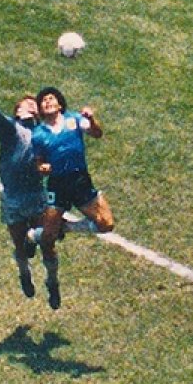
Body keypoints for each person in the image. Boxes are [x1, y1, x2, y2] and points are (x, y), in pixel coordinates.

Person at [28, 86, 116, 309]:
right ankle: (51, 279)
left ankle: (66, 228)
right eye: (44, 101)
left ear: (60, 104)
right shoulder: (38, 134)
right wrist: (42, 168)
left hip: (80, 181)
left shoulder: (75, 120)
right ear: (40, 109)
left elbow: (97, 133)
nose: (48, 102)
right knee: (47, 238)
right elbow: (38, 163)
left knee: (106, 224)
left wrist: (92, 119)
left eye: (52, 98)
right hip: (57, 185)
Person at [0, 89, 60, 299]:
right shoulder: (11, 130)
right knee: (19, 245)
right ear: (17, 112)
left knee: (47, 245)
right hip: (13, 199)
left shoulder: (43, 135)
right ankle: (24, 274)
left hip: (36, 197)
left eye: (34, 104)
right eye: (25, 104)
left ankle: (52, 280)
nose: (31, 105)